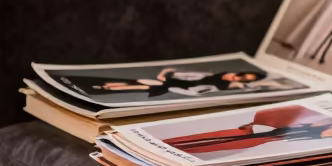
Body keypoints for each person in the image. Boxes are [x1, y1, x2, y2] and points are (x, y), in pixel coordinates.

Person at [162, 104, 332, 154]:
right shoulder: (323, 123)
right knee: (216, 137)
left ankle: (178, 148)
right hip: (258, 133)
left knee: (217, 145)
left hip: (266, 140)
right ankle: (169, 145)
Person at [59, 68, 265, 99]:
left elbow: (200, 90)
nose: (236, 78)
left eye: (243, 80)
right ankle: (108, 86)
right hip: (177, 81)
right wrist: (167, 73)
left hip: (181, 87)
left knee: (149, 86)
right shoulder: (218, 75)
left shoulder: (224, 86)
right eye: (240, 75)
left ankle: (106, 88)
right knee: (145, 82)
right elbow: (191, 74)